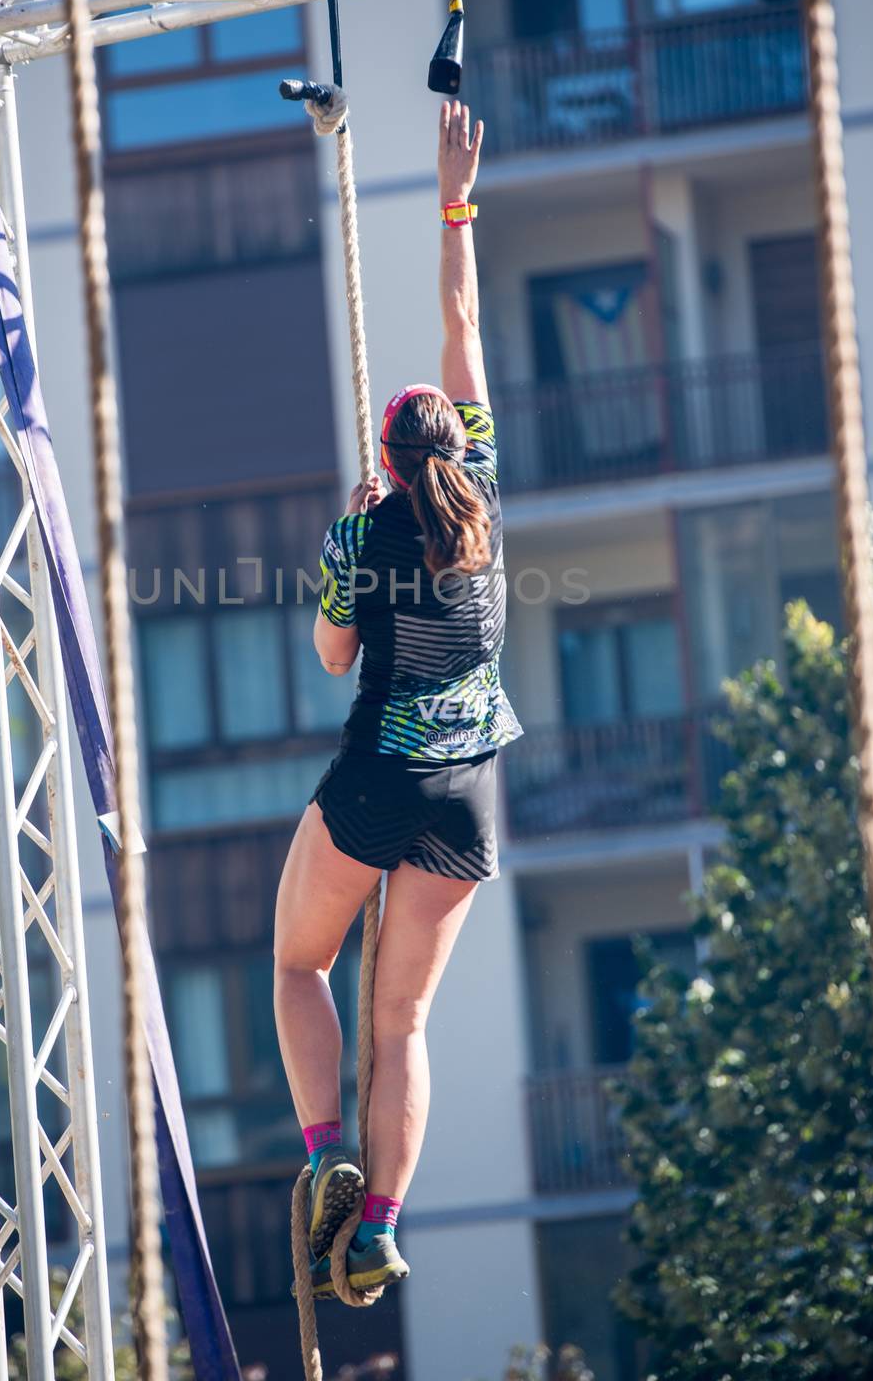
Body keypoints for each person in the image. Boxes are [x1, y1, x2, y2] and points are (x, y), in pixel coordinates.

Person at [273, 100, 522, 1300]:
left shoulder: (358, 532)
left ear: (384, 459)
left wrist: (344, 570)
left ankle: (327, 1150)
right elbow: (464, 318)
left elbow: (330, 659)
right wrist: (454, 195)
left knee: (298, 964)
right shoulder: (482, 486)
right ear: (454, 443)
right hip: (472, 797)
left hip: (381, 774)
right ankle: (377, 1226)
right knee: (405, 1024)